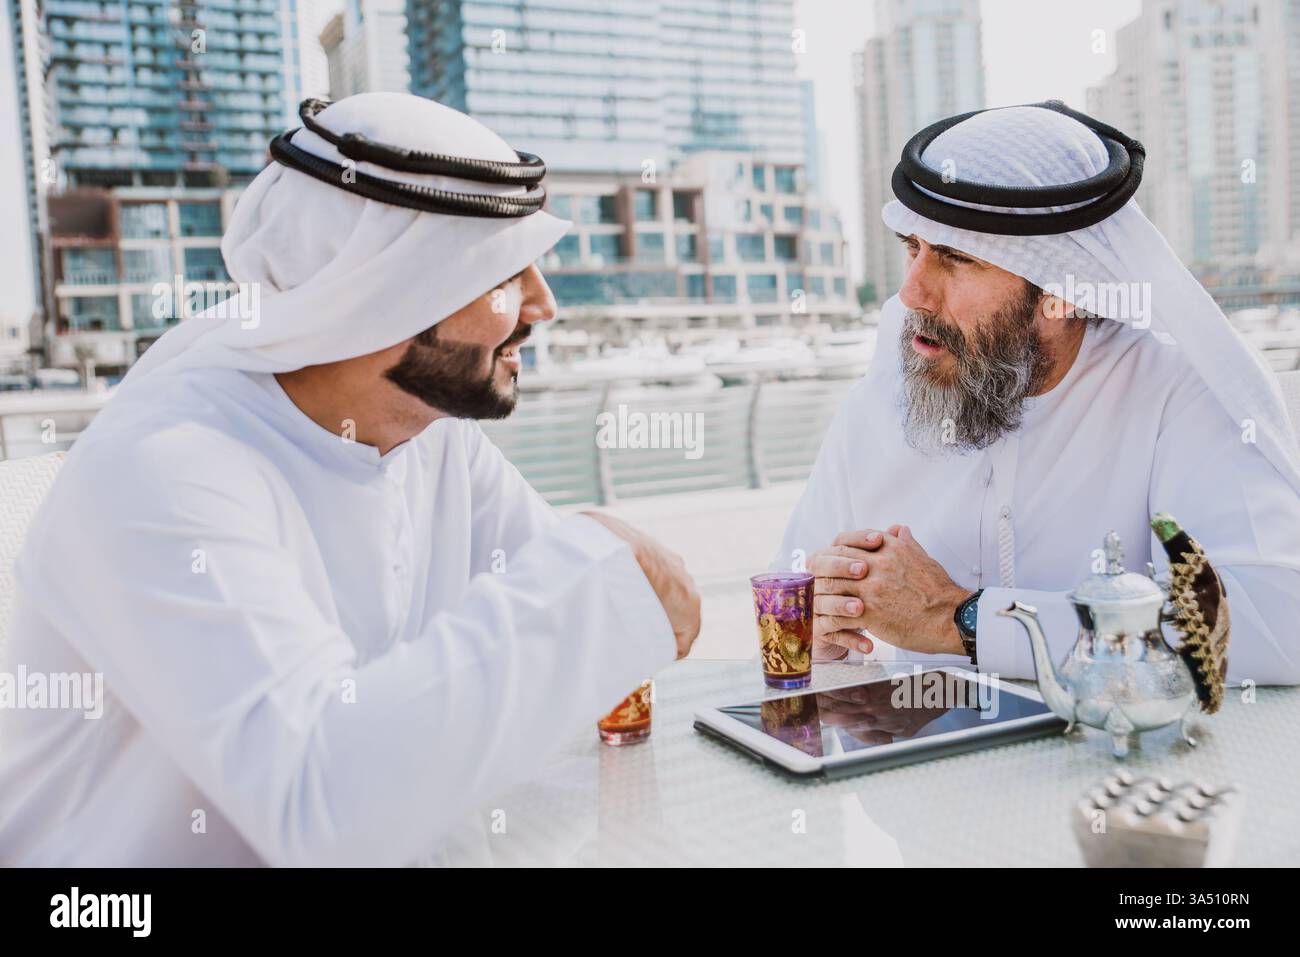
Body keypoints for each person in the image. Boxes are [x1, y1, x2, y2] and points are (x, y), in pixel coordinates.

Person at [0, 93, 700, 866]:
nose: (542, 303)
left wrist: (600, 594)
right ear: (391, 290)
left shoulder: (428, 436)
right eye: (504, 272)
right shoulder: (166, 466)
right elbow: (319, 802)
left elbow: (583, 643)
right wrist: (598, 577)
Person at [775, 101, 1300, 684]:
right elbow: (788, 597)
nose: (912, 292)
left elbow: (1272, 623)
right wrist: (822, 625)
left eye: (956, 258)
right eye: (912, 247)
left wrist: (963, 619)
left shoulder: (1176, 394)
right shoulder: (876, 408)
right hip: (917, 765)